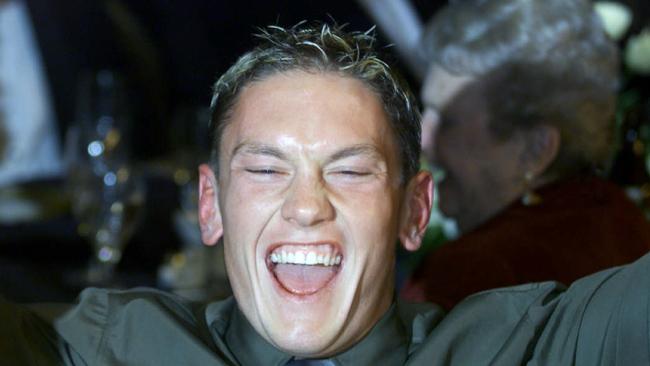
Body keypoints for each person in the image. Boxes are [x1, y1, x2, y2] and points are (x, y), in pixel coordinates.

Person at [1, 22, 650, 365]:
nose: (306, 205)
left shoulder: (523, 346)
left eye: (350, 170)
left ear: (414, 210)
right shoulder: (108, 348)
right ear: (210, 203)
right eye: (264, 169)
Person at [401, 0, 650, 310]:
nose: (422, 138)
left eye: (449, 120)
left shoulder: (472, 276)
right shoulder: (622, 218)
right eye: (427, 111)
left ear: (535, 149)